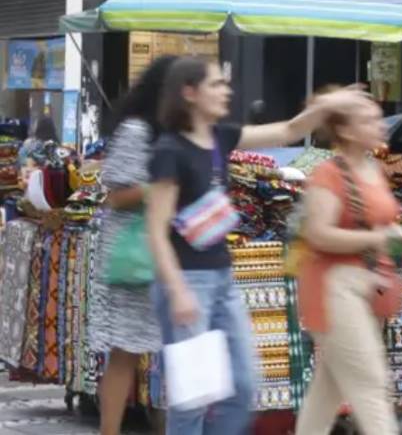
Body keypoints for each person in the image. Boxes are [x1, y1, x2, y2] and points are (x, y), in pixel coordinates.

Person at [146, 57, 374, 435]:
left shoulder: (220, 137)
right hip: (186, 282)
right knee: (192, 400)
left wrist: (330, 105)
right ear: (189, 92)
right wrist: (178, 290)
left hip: (221, 278)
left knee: (244, 386)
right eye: (216, 84)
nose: (226, 91)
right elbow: (155, 229)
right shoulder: (169, 151)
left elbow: (287, 131)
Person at [294, 91, 402, 435]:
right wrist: (379, 240)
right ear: (347, 132)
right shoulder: (327, 174)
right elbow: (318, 234)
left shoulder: (373, 168)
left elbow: (382, 221)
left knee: (328, 391)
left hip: (365, 287)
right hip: (332, 288)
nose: (380, 125)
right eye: (369, 120)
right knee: (370, 383)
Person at [91, 56, 177, 435]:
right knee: (125, 353)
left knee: (173, 349)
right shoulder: (138, 130)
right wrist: (163, 187)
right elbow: (116, 194)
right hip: (134, 255)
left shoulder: (175, 132)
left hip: (164, 253)